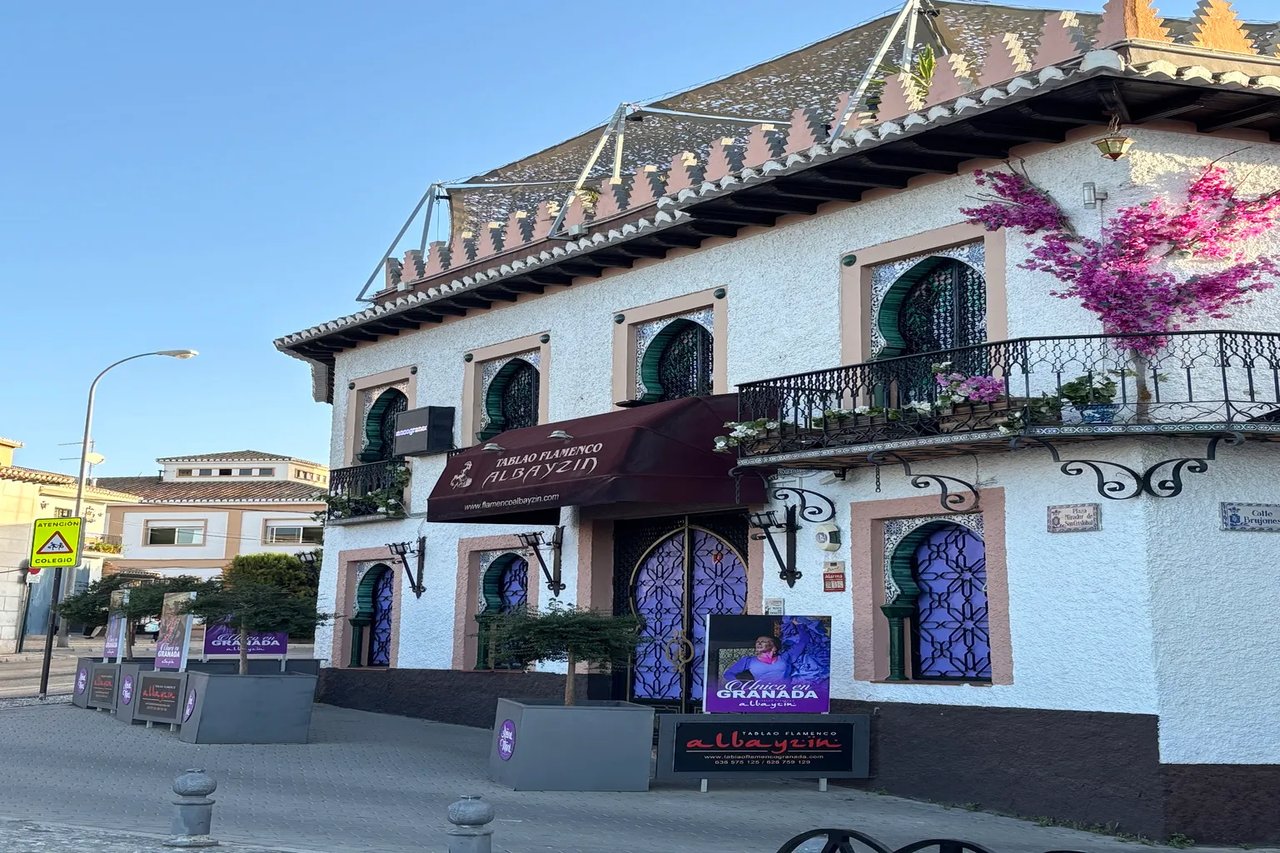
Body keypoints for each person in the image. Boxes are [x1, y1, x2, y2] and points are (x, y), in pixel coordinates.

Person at [722, 633, 806, 684]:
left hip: (786, 695)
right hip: (761, 694)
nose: (759, 643)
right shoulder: (748, 660)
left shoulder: (785, 657)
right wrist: (739, 684)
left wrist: (799, 625)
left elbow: (803, 642)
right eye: (757, 642)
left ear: (774, 647)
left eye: (763, 641)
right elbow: (728, 674)